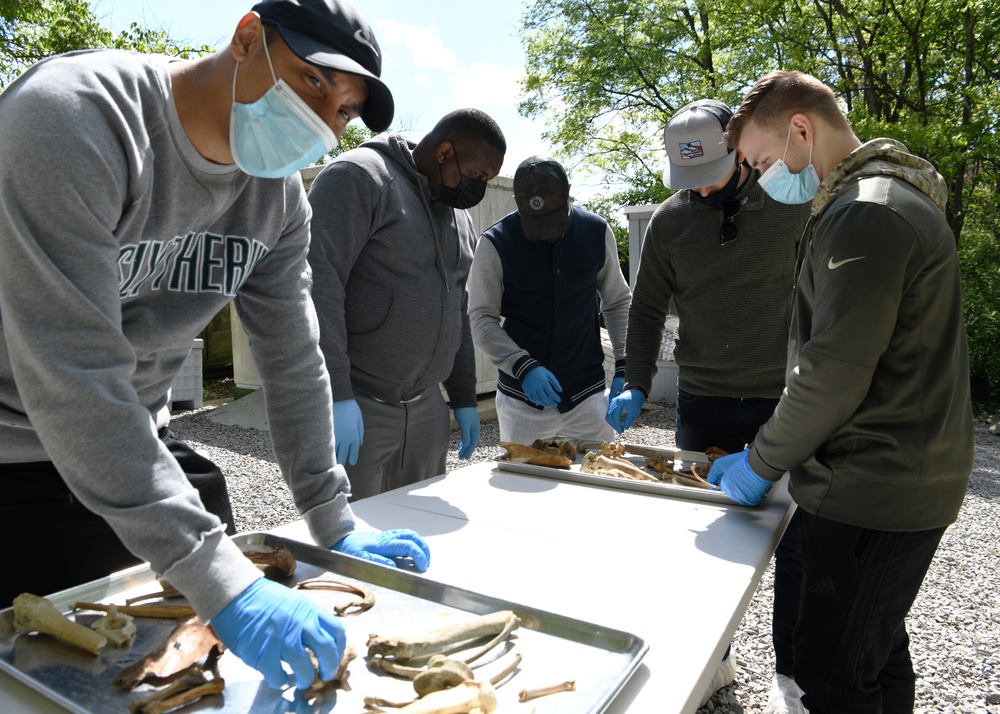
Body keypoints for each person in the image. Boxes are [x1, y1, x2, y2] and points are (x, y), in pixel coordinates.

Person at [0, 0, 431, 692]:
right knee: (53, 670)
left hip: (133, 435)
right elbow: (73, 369)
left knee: (194, 646)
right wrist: (223, 586)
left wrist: (333, 516)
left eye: (344, 110)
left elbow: (293, 358)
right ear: (248, 36)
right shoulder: (75, 118)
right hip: (15, 442)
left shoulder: (278, 199)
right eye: (315, 81)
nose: (323, 121)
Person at [713, 70, 974, 713]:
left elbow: (832, 368)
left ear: (802, 128)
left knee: (833, 673)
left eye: (763, 160)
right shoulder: (875, 200)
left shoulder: (865, 211)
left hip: (872, 481)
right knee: (875, 654)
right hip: (894, 474)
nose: (762, 178)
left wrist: (760, 460)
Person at [605, 99, 811, 711]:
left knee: (793, 541)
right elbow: (644, 310)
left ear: (739, 152)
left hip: (782, 400)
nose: (703, 189)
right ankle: (714, 661)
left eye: (713, 173)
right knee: (707, 540)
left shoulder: (790, 204)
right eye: (690, 180)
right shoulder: (671, 222)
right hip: (703, 400)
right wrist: (636, 381)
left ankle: (790, 675)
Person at [307, 108, 505, 500]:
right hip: (360, 404)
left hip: (426, 408)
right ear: (445, 152)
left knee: (419, 532)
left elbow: (457, 307)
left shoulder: (457, 216)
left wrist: (463, 396)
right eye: (478, 175)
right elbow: (317, 284)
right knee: (350, 537)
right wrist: (337, 393)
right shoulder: (359, 177)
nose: (478, 187)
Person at [468, 156, 631, 444]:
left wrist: (624, 365)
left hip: (588, 399)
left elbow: (617, 300)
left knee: (595, 485)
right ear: (517, 200)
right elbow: (481, 317)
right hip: (522, 404)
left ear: (568, 191)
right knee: (520, 486)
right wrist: (522, 365)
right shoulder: (494, 243)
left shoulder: (596, 231)